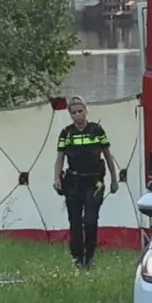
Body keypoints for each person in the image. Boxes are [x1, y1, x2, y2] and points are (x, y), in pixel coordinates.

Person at [53, 96, 120, 269]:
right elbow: (60, 157)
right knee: (75, 222)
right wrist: (56, 178)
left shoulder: (96, 130)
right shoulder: (66, 133)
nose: (78, 115)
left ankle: (90, 256)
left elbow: (107, 155)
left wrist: (114, 179)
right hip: (73, 182)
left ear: (86, 111)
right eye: (74, 113)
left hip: (94, 182)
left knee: (90, 220)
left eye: (80, 111)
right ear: (70, 115)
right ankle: (77, 259)